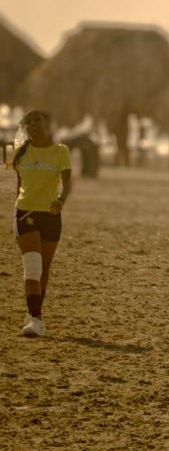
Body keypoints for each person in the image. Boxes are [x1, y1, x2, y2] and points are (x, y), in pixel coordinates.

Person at [9, 110, 71, 338]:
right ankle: (35, 320)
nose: (33, 124)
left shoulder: (61, 151)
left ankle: (34, 312)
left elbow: (67, 181)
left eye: (38, 120)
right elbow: (19, 186)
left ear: (48, 125)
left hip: (51, 215)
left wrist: (62, 200)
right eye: (29, 121)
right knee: (33, 267)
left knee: (44, 269)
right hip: (25, 213)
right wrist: (17, 211)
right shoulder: (20, 153)